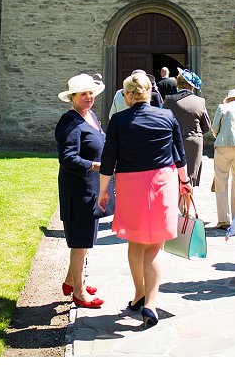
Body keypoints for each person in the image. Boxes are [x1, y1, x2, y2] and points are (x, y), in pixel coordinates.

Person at [97, 71, 190, 328]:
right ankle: (150, 303)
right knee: (155, 246)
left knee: (136, 241)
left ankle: (139, 294)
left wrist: (104, 190)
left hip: (130, 184)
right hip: (162, 182)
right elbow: (179, 155)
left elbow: (108, 159)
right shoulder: (167, 116)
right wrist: (184, 182)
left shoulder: (118, 120)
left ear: (128, 95)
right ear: (149, 92)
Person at [55, 73, 111, 309]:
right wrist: (96, 165)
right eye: (83, 94)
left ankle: (72, 280)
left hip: (92, 188)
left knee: (85, 241)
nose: (88, 97)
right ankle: (78, 292)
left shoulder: (90, 115)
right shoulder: (69, 122)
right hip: (78, 190)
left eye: (91, 93)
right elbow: (68, 159)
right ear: (73, 97)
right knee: (80, 243)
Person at [163, 68, 211, 187]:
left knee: (174, 177)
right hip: (193, 142)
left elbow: (163, 122)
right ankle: (187, 204)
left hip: (173, 142)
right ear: (192, 86)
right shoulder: (200, 101)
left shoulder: (169, 100)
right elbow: (207, 126)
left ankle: (176, 203)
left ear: (178, 83)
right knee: (189, 178)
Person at [211, 88, 235, 229]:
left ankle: (223, 219)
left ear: (228, 99)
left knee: (221, 181)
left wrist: (219, 137)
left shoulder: (222, 107)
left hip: (223, 146)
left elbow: (214, 128)